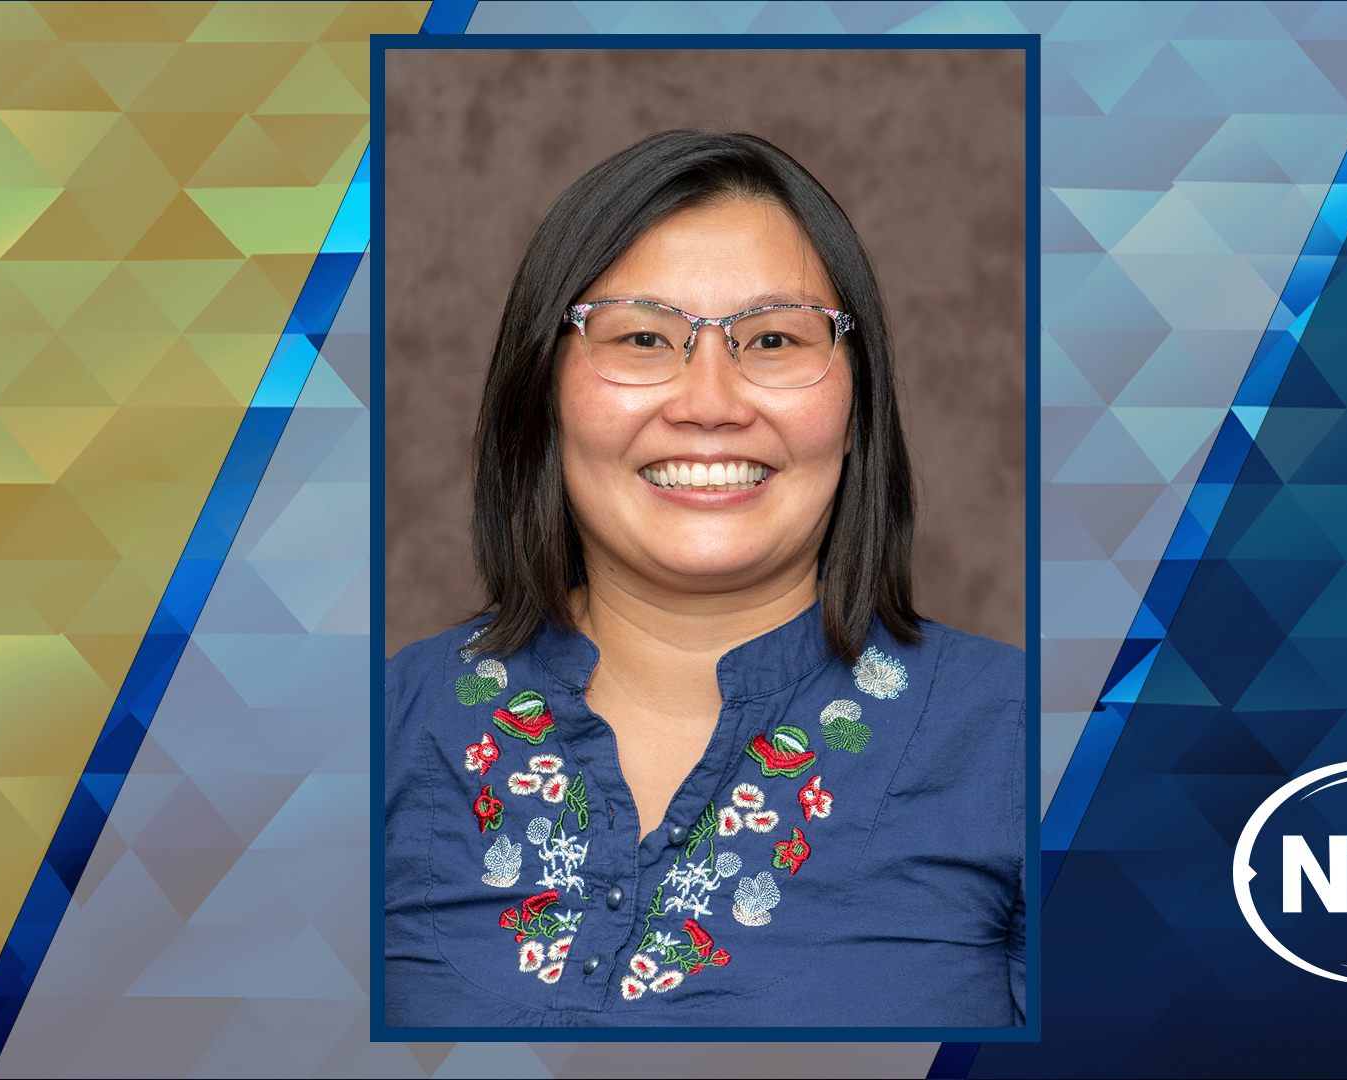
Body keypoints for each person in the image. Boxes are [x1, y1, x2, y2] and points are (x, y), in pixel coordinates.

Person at [378, 129, 1027, 1026]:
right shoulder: (379, 727)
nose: (711, 404)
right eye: (644, 337)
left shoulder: (1031, 740)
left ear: (855, 406)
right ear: (544, 394)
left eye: (773, 340)